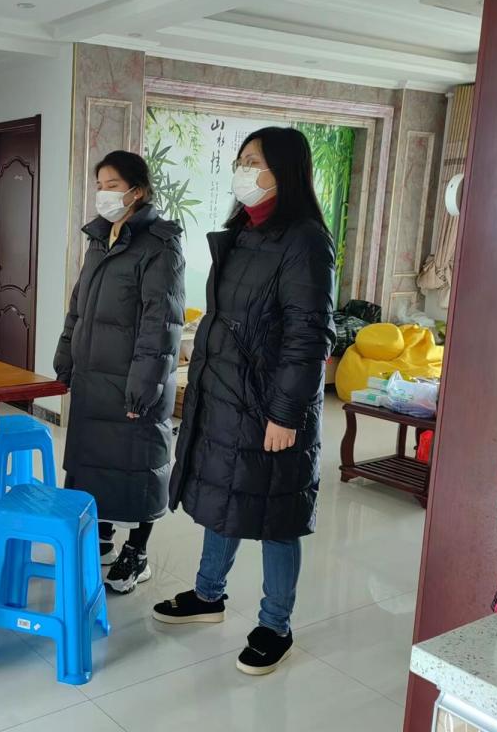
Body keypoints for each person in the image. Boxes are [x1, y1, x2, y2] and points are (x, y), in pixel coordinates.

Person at [155, 127, 336, 676]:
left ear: (283, 170)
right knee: (226, 496)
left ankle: (275, 625)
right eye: (240, 160)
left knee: (278, 517)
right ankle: (208, 595)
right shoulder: (242, 233)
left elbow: (308, 335)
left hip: (272, 407)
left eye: (253, 161)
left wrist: (286, 414)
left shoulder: (304, 241)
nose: (242, 170)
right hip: (226, 395)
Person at [54, 150, 185, 595]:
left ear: (137, 191)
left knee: (139, 465)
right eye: (100, 185)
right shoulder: (98, 238)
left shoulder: (160, 245)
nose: (103, 194)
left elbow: (161, 323)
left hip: (135, 379)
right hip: (94, 376)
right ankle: (104, 537)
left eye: (112, 185)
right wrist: (65, 356)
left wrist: (145, 385)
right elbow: (79, 307)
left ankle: (138, 552)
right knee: (96, 461)